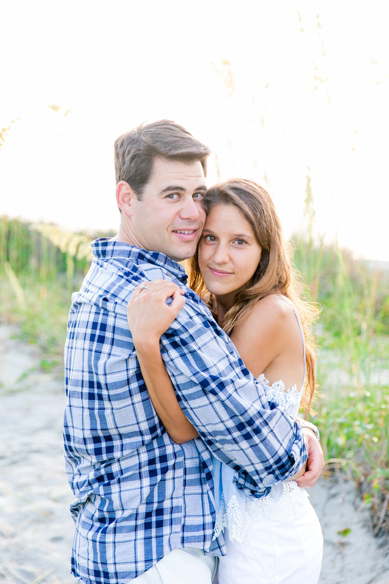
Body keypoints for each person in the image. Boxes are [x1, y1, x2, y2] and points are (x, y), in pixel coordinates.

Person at [63, 120, 324, 584]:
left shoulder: (105, 281)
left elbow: (231, 416)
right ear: (127, 198)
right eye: (172, 195)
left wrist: (300, 432)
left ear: (265, 251)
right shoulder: (172, 304)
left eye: (196, 194)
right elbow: (249, 439)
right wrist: (296, 439)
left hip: (240, 537)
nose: (191, 214)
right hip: (161, 552)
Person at [127, 179, 323, 583]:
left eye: (240, 242)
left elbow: (185, 426)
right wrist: (302, 428)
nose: (219, 256)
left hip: (268, 538)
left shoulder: (270, 313)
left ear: (264, 251)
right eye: (210, 238)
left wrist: (146, 343)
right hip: (229, 532)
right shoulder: (211, 308)